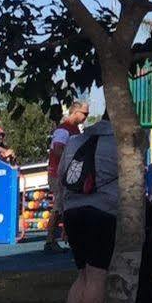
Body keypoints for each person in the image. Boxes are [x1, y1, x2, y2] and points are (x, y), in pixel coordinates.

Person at [50, 111, 118, 303]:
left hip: (73, 211)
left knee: (83, 276)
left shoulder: (76, 140)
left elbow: (60, 177)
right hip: (102, 211)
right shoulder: (122, 144)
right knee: (97, 277)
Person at [43, 99, 91, 253]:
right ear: (75, 112)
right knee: (59, 206)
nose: (86, 116)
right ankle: (50, 240)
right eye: (85, 113)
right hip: (58, 174)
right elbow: (57, 150)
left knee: (69, 206)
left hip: (69, 174)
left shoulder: (76, 130)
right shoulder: (63, 130)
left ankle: (69, 237)